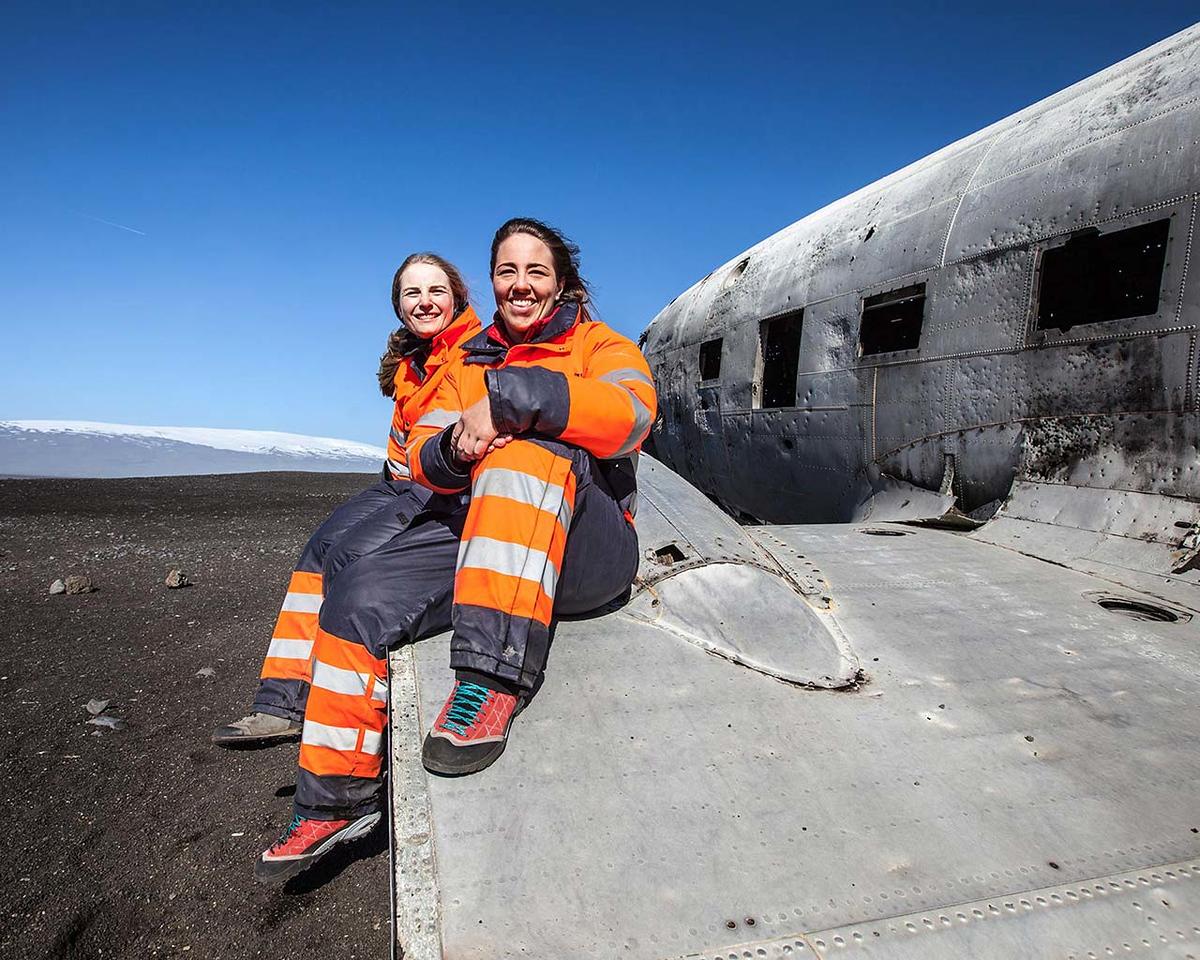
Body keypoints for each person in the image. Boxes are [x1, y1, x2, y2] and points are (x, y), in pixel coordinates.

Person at [255, 218, 656, 882]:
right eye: (508, 271)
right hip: (490, 534)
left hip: (587, 553)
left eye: (536, 271)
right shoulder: (471, 358)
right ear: (493, 280)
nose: (521, 285)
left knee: (527, 450)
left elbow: (632, 412)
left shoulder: (599, 344)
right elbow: (422, 450)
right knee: (357, 595)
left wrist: (516, 404)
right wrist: (451, 448)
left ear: (561, 283)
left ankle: (490, 680)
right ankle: (336, 797)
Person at [212, 253, 481, 746]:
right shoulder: (413, 364)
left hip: (444, 490)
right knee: (318, 549)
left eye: (436, 291)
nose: (425, 302)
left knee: (348, 559)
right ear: (399, 307)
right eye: (412, 294)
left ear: (458, 298)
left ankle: (344, 708)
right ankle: (280, 702)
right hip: (401, 483)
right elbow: (402, 444)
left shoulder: (475, 352)